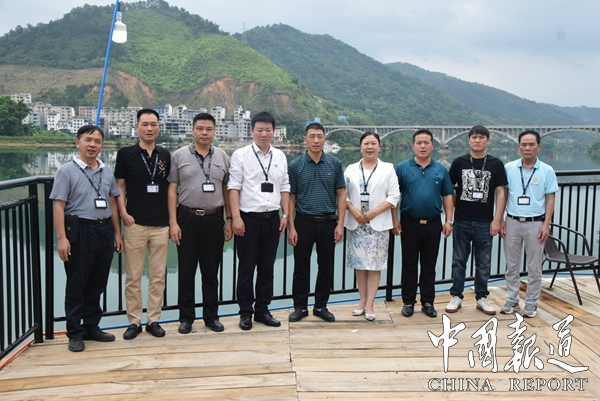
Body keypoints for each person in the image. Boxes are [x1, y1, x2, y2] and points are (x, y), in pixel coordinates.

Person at [50, 125, 123, 352]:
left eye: (97, 141)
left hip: (104, 231)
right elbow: (58, 206)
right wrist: (62, 239)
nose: (92, 145)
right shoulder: (66, 171)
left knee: (97, 283)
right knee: (77, 284)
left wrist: (117, 233)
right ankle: (74, 332)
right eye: (88, 140)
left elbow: (112, 202)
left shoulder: (106, 170)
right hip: (80, 231)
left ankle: (91, 327)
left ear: (102, 145)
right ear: (78, 143)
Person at [168, 112, 232, 334]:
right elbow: (172, 190)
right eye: (200, 129)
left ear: (214, 131)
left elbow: (226, 188)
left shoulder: (222, 156)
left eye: (209, 129)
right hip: (187, 217)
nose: (204, 133)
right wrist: (173, 222)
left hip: (214, 218)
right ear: (193, 130)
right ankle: (186, 317)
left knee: (210, 272)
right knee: (186, 271)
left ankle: (211, 317)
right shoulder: (179, 155)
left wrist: (229, 218)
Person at [228, 111, 290, 331]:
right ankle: (245, 313)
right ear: (252, 131)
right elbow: (233, 188)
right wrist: (236, 218)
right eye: (260, 130)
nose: (264, 134)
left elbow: (284, 187)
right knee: (246, 269)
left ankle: (263, 310)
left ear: (274, 131)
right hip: (248, 220)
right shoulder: (241, 155)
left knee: (267, 269)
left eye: (268, 130)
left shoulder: (280, 156)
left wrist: (285, 215)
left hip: (272, 219)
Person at [115, 109, 171, 340]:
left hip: (161, 225)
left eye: (153, 124)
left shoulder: (165, 154)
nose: (149, 128)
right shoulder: (125, 154)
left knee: (158, 276)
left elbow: (170, 189)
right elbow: (119, 186)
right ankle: (134, 321)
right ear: (136, 127)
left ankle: (154, 320)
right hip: (135, 223)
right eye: (145, 124)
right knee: (133, 276)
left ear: (159, 127)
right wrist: (123, 213)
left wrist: (172, 220)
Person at [445, 125, 507, 315]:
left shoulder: (496, 164)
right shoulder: (459, 162)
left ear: (488, 140)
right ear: (469, 140)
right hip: (462, 220)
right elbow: (448, 188)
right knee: (458, 261)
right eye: (474, 137)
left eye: (481, 137)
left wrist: (497, 219)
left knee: (483, 263)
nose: (477, 140)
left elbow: (501, 192)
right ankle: (456, 295)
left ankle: (482, 297)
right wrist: (455, 208)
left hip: (485, 222)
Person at [288, 122, 346, 323]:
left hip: (328, 221)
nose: (315, 140)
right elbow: (291, 198)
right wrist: (291, 227)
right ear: (305, 139)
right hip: (303, 221)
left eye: (319, 136)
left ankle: (321, 306)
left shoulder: (335, 164)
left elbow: (341, 194)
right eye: (311, 136)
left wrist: (340, 224)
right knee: (300, 267)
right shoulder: (295, 166)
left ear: (325, 139)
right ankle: (300, 307)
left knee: (326, 267)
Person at [394, 129, 454, 318]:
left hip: (433, 223)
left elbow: (447, 195)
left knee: (429, 265)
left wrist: (449, 220)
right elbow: (394, 196)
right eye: (419, 143)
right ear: (413, 146)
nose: (422, 146)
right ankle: (408, 302)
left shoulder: (440, 169)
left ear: (432, 146)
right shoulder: (402, 167)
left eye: (426, 142)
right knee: (409, 265)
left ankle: (428, 302)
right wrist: (394, 219)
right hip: (409, 222)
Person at [500, 130, 558, 318]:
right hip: (512, 221)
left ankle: (532, 304)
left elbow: (550, 199)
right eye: (524, 144)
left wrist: (546, 224)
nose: (527, 148)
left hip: (536, 223)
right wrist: (500, 219)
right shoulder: (509, 168)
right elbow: (503, 194)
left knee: (534, 267)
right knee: (511, 265)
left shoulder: (547, 170)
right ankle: (512, 299)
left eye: (531, 144)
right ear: (518, 147)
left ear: (538, 147)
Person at [344, 132, 399, 321]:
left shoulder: (388, 168)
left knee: (375, 265)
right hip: (357, 223)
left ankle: (370, 304)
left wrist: (374, 212)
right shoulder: (350, 169)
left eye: (373, 143)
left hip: (378, 224)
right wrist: (353, 211)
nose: (370, 147)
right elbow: (344, 195)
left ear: (379, 147)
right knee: (360, 265)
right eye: (366, 143)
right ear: (360, 146)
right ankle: (361, 301)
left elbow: (394, 196)